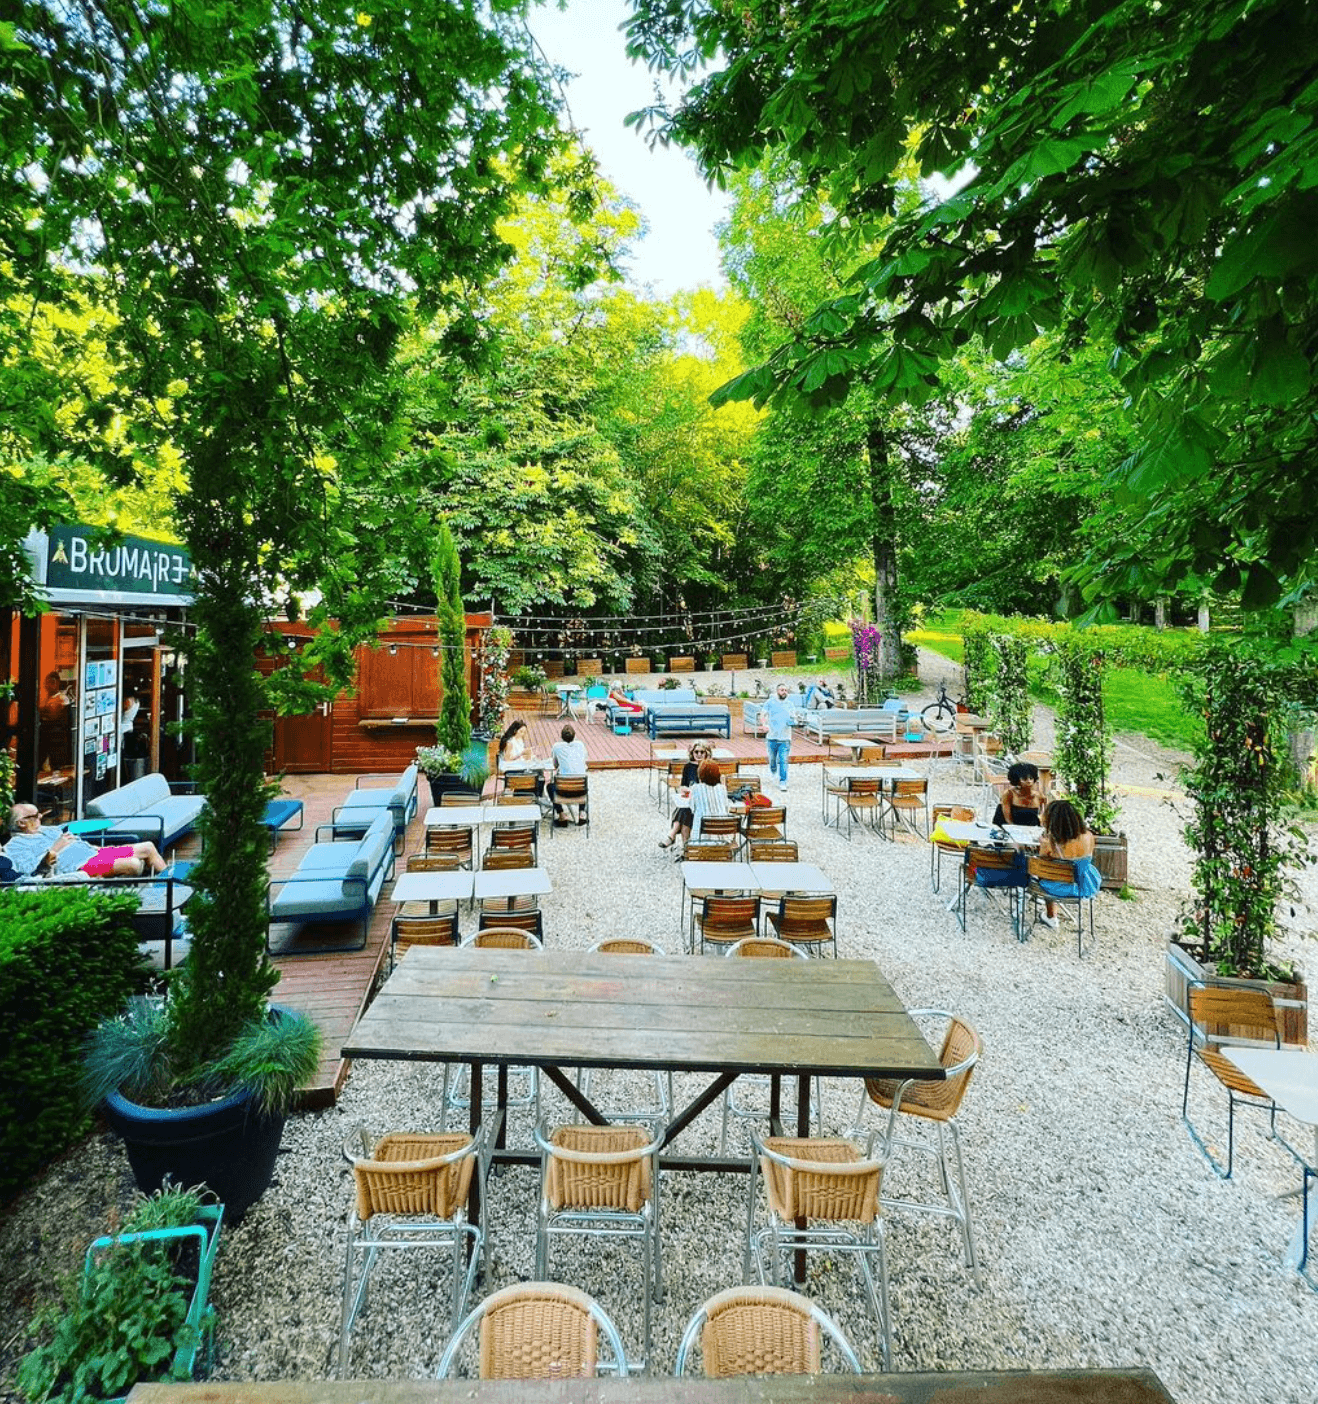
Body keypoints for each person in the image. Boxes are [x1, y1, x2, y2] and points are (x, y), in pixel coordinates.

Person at [4, 802, 167, 879]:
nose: (40, 817)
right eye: (35, 815)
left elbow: (74, 840)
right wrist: (55, 849)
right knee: (133, 864)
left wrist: (94, 847)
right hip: (80, 865)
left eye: (39, 813)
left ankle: (172, 882)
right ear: (21, 823)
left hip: (95, 853)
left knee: (148, 847)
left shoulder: (46, 830)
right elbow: (30, 872)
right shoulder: (16, 846)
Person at [1035, 798, 1101, 928]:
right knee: (1060, 872)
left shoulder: (1050, 843)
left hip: (1058, 888)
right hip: (1085, 884)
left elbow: (1042, 863)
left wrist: (1043, 844)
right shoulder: (1088, 836)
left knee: (1044, 872)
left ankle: (1051, 916)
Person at [659, 741, 712, 851]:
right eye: (696, 751)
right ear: (692, 753)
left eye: (702, 752)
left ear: (706, 753)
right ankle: (685, 848)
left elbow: (712, 787)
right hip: (691, 801)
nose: (699, 754)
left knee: (684, 811)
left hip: (705, 803)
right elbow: (682, 785)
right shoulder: (688, 767)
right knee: (686, 810)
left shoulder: (709, 767)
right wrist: (683, 789)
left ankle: (673, 836)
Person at [757, 681, 795, 791]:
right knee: (772, 759)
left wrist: (795, 721)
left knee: (783, 760)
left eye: (786, 690)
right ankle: (773, 771)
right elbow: (763, 714)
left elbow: (793, 717)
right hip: (772, 737)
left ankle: (783, 781)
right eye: (782, 690)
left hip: (785, 738)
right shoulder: (770, 702)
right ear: (777, 691)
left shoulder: (790, 704)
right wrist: (764, 724)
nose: (784, 692)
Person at [549, 723, 589, 827]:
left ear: (561, 737)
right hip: (580, 790)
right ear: (574, 736)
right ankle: (582, 814)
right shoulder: (580, 745)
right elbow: (584, 759)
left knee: (549, 786)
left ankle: (561, 814)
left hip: (563, 791)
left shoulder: (556, 747)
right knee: (582, 779)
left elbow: (555, 764)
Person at [688, 757, 731, 842]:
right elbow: (727, 808)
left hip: (701, 838)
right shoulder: (722, 789)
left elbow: (692, 808)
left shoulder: (696, 788)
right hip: (723, 838)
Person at [498, 718, 544, 796]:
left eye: (525, 732)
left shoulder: (520, 740)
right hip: (511, 767)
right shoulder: (510, 742)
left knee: (539, 772)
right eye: (521, 732)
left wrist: (530, 756)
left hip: (519, 764)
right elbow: (507, 759)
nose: (523, 734)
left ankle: (535, 794)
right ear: (515, 731)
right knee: (535, 774)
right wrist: (521, 753)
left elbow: (521, 755)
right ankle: (530, 793)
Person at [992, 761, 1045, 827]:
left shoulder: (1039, 796)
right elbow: (1008, 819)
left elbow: (1043, 817)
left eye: (1031, 778)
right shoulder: (1009, 794)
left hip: (1031, 830)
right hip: (1010, 828)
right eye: (1025, 779)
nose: (1029, 781)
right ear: (1017, 780)